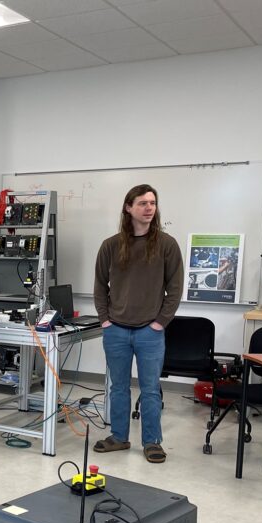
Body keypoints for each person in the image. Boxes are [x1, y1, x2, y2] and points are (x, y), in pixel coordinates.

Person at [93, 184, 184, 463]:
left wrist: (160, 322)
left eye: (153, 203)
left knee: (150, 389)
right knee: (118, 387)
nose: (149, 208)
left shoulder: (166, 244)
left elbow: (176, 287)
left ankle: (152, 442)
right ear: (128, 207)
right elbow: (99, 285)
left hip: (149, 331)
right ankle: (119, 437)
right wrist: (105, 320)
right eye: (142, 203)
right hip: (116, 330)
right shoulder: (111, 245)